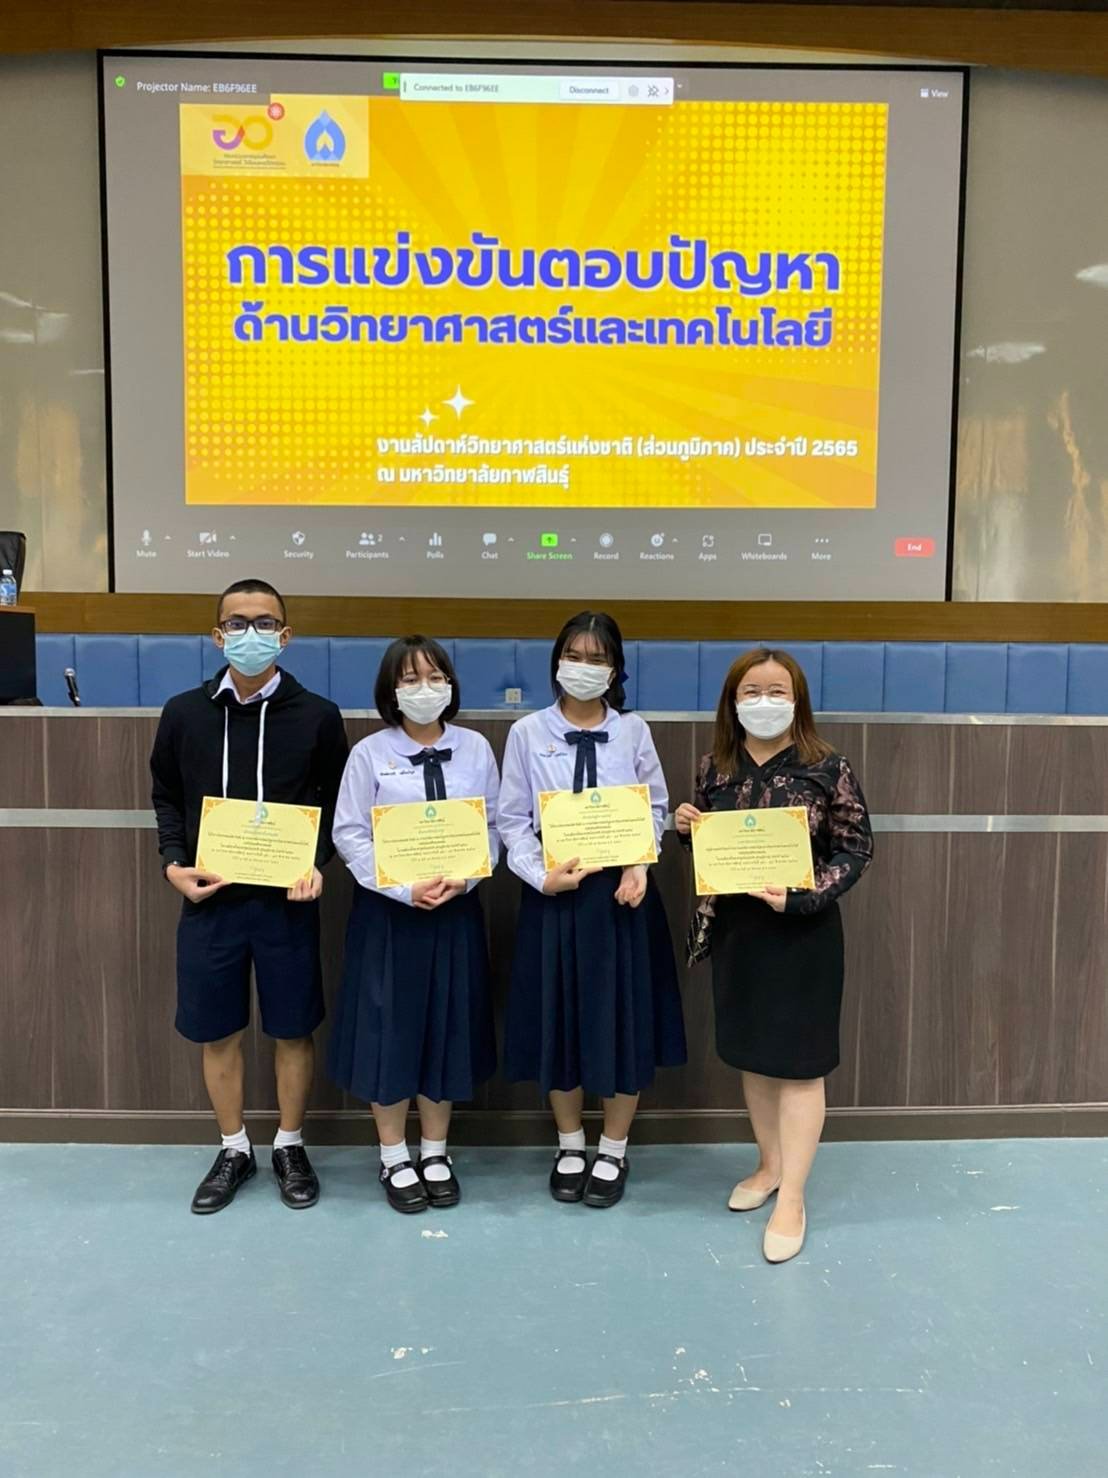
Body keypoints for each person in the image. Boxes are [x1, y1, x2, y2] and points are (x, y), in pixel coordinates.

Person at [150, 579, 349, 1214]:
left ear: (285, 636)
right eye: (236, 623)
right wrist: (173, 864)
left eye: (264, 623)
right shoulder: (184, 712)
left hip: (287, 902)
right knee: (218, 1030)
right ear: (217, 636)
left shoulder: (317, 715)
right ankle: (234, 1147)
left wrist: (317, 863)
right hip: (210, 901)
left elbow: (336, 805)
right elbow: (166, 796)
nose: (250, 633)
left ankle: (290, 1144)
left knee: (293, 1028)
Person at [675, 647, 873, 1263]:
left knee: (801, 1066)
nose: (764, 702)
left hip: (802, 935)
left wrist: (804, 897)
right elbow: (713, 850)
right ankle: (768, 1166)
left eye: (777, 691)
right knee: (754, 1058)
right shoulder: (715, 766)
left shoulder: (827, 766)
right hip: (739, 933)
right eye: (751, 692)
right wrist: (685, 830)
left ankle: (793, 1198)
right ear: (733, 702)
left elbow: (856, 847)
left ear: (798, 699)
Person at [498, 611, 686, 1208]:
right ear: (557, 662)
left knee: (622, 1023)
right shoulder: (527, 732)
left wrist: (639, 865)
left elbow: (654, 808)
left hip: (621, 901)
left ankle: (614, 1148)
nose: (584, 667)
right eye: (574, 656)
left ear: (615, 669)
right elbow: (511, 820)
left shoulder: (634, 731)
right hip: (555, 899)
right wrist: (541, 876)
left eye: (597, 658)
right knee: (560, 1023)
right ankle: (570, 1143)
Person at [327, 637, 499, 1214]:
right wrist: (403, 888)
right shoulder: (369, 753)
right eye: (410, 679)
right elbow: (349, 833)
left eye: (435, 677)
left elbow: (493, 827)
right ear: (390, 690)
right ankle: (393, 1154)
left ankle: (436, 1150)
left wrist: (464, 880)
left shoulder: (475, 748)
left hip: (455, 910)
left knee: (447, 1026)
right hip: (389, 916)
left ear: (450, 685)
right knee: (389, 1029)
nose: (424, 689)